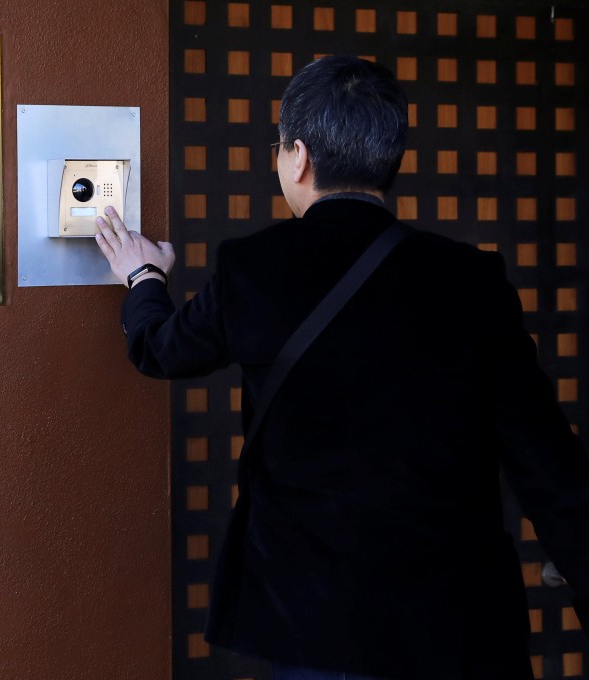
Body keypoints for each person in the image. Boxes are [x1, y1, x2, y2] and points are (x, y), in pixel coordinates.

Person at [94, 56, 589, 680]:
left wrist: (143, 277)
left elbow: (160, 349)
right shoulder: (471, 282)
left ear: (297, 156)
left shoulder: (255, 269)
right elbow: (547, 463)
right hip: (458, 630)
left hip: (314, 628)